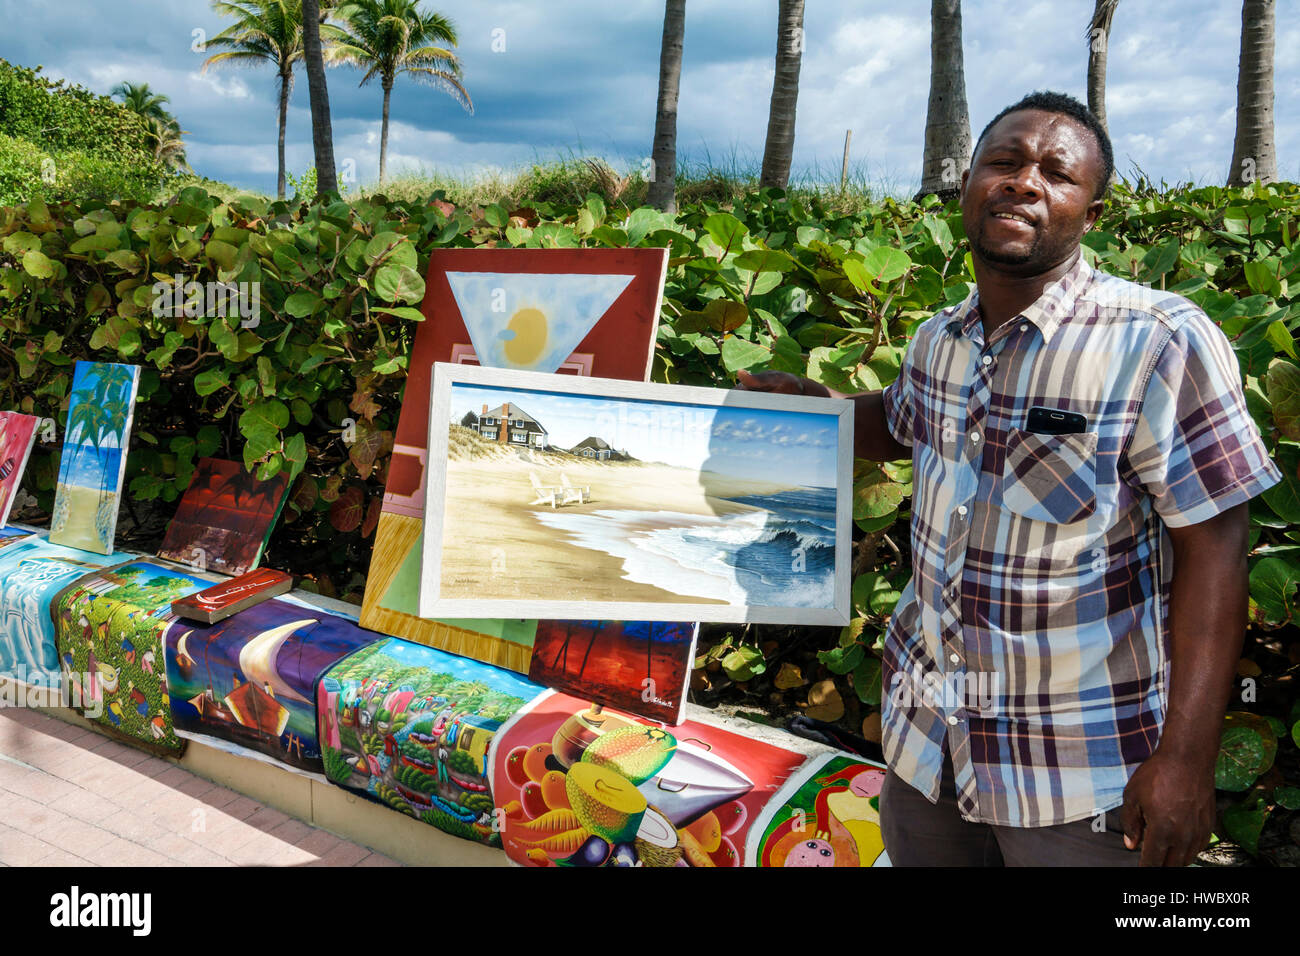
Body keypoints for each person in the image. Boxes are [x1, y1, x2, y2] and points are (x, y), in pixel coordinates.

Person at [739, 90, 1282, 866]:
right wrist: (812, 406)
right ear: (966, 185)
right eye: (1004, 161)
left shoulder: (1159, 340)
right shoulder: (940, 339)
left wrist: (1187, 763)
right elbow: (898, 422)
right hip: (928, 745)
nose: (1025, 182)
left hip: (1074, 768)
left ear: (1090, 214)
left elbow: (1217, 547)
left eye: (1056, 174)